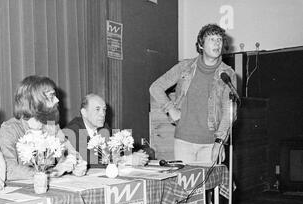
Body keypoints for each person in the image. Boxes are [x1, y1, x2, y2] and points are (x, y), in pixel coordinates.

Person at [149, 23, 237, 164]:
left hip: (210, 143)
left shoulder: (228, 73)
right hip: (183, 141)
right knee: (186, 186)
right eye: (212, 39)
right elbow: (155, 87)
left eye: (219, 39)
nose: (217, 43)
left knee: (208, 186)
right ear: (201, 45)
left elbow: (228, 112)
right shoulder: (185, 67)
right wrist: (171, 109)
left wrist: (219, 142)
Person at [0, 75, 87, 180]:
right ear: (35, 101)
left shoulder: (52, 125)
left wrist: (76, 165)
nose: (57, 100)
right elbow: (9, 170)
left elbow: (70, 154)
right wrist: (52, 172)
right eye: (51, 96)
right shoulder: (9, 129)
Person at [64, 93, 151, 167]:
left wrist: (132, 156)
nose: (102, 114)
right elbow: (88, 163)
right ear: (84, 112)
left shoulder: (104, 128)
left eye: (104, 109)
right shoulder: (72, 130)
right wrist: (126, 160)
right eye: (97, 109)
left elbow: (111, 154)